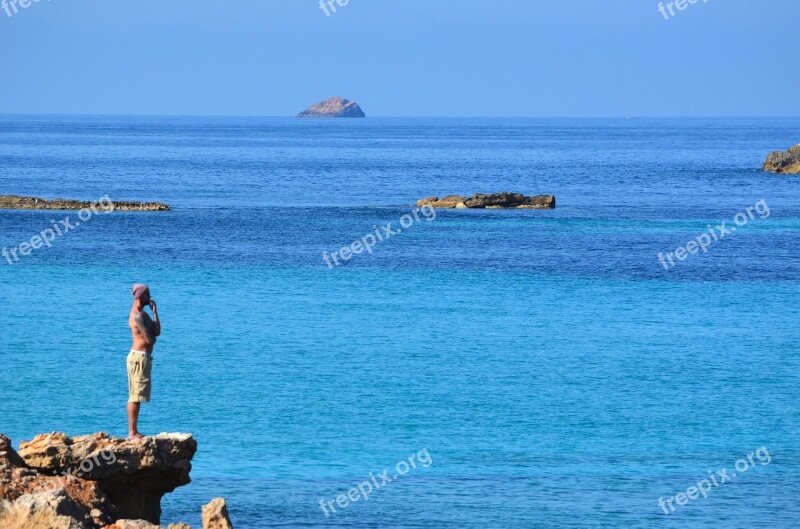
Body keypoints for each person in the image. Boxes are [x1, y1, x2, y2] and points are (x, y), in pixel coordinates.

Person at [127, 284, 161, 439]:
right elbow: (150, 339)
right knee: (135, 396)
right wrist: (150, 328)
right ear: (141, 296)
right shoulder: (139, 316)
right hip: (139, 358)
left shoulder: (144, 314)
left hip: (142, 358)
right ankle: (132, 432)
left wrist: (155, 313)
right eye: (147, 294)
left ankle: (133, 431)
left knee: (137, 395)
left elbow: (157, 332)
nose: (150, 296)